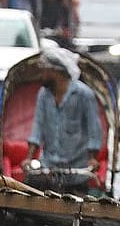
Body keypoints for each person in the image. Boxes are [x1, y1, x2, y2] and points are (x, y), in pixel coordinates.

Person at [23, 48, 102, 180]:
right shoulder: (43, 95)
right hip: (48, 167)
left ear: (56, 71)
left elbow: (94, 130)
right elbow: (38, 127)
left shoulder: (84, 95)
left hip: (77, 169)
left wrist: (92, 159)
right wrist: (29, 158)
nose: (42, 75)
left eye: (45, 71)